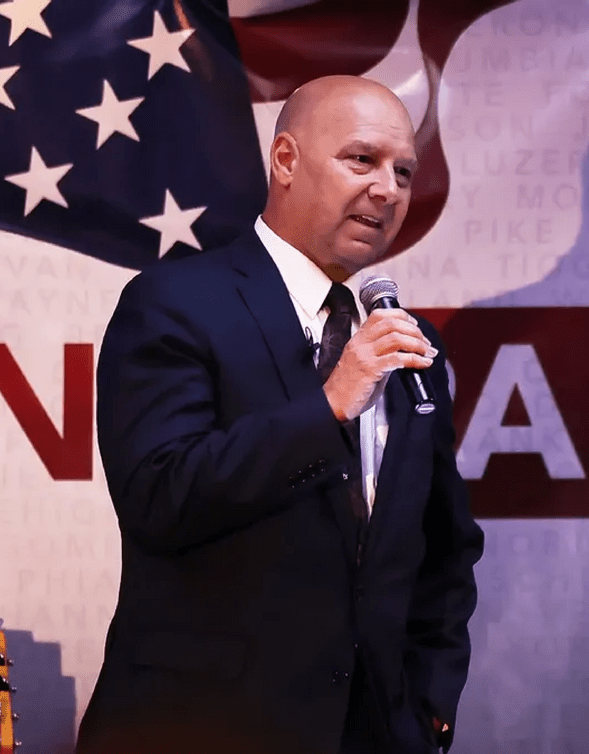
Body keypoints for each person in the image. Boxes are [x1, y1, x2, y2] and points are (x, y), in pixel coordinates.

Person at [75, 75, 484, 754]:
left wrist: (429, 704)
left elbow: (444, 547)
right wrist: (329, 406)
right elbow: (161, 496)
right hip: (199, 729)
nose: (388, 190)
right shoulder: (175, 304)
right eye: (362, 160)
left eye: (404, 171)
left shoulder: (408, 344)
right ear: (286, 160)